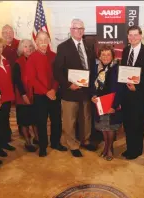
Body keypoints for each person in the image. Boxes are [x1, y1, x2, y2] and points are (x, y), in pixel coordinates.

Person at [53, 18, 96, 157]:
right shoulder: (63, 47)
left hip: (85, 90)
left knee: (86, 118)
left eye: (81, 29)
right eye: (76, 28)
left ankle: (86, 140)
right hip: (70, 91)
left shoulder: (88, 46)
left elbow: (91, 68)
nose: (79, 31)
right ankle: (72, 144)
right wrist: (68, 84)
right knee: (69, 120)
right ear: (71, 30)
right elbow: (57, 71)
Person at [27, 31, 67, 157]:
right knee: (41, 122)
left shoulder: (54, 56)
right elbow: (32, 79)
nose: (43, 42)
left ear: (49, 40)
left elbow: (58, 75)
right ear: (36, 41)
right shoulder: (32, 58)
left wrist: (54, 90)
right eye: (40, 40)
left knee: (56, 121)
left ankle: (55, 143)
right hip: (40, 96)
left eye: (45, 39)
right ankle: (43, 146)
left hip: (54, 93)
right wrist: (46, 92)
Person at [120, 25, 144, 160]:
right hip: (126, 95)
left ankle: (136, 150)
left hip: (140, 96)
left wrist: (138, 87)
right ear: (128, 37)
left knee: (138, 123)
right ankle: (129, 147)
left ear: (140, 36)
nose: (133, 38)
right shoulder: (125, 51)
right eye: (130, 35)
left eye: (135, 35)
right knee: (128, 123)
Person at [91, 45, 124, 161]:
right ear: (99, 56)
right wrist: (93, 96)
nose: (105, 57)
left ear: (113, 56)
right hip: (99, 103)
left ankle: (110, 149)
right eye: (103, 54)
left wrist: (114, 106)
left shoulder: (117, 68)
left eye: (108, 54)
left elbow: (120, 89)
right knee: (103, 127)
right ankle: (105, 146)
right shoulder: (96, 68)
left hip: (112, 103)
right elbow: (92, 84)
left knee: (110, 128)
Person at [13, 39, 39, 152]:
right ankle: (28, 142)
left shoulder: (36, 60)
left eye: (30, 46)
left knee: (35, 119)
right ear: (21, 49)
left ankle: (37, 138)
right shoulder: (18, 63)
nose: (28, 49)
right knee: (24, 120)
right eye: (25, 47)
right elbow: (17, 81)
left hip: (35, 94)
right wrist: (24, 95)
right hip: (23, 95)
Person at [1, 24, 25, 140]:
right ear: (2, 34)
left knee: (21, 105)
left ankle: (23, 128)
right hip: (6, 81)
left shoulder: (19, 44)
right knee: (5, 109)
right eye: (5, 32)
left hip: (19, 80)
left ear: (13, 33)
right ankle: (6, 132)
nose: (7, 34)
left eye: (9, 32)